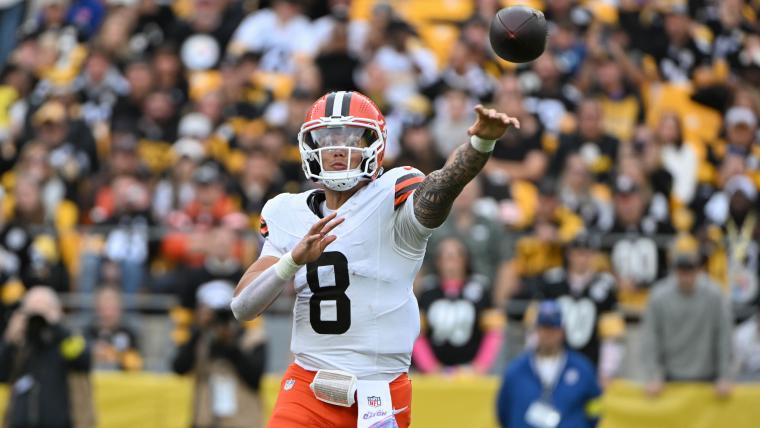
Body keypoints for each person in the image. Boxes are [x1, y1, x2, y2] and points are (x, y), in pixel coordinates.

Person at [230, 90, 519, 427]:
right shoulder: (286, 211)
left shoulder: (393, 195)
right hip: (307, 387)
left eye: (351, 138)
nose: (338, 148)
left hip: (380, 392)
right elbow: (242, 307)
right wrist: (292, 261)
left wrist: (480, 145)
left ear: (374, 144)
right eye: (327, 138)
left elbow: (442, 187)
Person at [640, 234, 734, 397]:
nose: (686, 276)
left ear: (698, 269)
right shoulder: (659, 296)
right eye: (681, 270)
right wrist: (653, 375)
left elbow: (724, 335)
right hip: (670, 379)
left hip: (708, 379)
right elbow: (650, 337)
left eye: (690, 270)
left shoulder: (715, 295)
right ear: (674, 269)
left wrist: (725, 376)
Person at [173, 280, 267, 428]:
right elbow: (179, 368)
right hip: (205, 419)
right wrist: (199, 330)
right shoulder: (201, 338)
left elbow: (255, 379)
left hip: (243, 421)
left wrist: (231, 346)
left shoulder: (253, 338)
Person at [496, 300, 602, 428]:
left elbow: (595, 408)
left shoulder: (582, 369)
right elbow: (503, 411)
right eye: (544, 328)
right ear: (536, 330)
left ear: (562, 331)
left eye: (553, 329)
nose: (548, 334)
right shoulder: (516, 371)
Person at [0, 286, 94, 428]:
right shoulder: (20, 345)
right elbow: (2, 373)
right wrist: (10, 337)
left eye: (45, 307)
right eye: (32, 309)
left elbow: (84, 359)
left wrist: (57, 325)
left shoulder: (64, 342)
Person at [413, 237, 504, 375]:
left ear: (465, 259)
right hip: (434, 375)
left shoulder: (481, 288)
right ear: (437, 261)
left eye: (454, 256)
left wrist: (479, 367)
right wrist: (430, 367)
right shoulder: (427, 291)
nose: (449, 262)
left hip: (472, 373)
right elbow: (416, 333)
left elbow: (494, 331)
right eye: (444, 256)